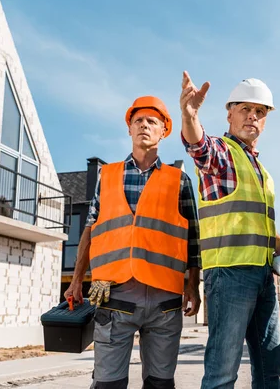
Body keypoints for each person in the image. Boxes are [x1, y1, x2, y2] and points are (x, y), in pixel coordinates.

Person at [64, 95, 202, 389]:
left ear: (163, 131)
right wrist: (77, 280)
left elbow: (192, 239)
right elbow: (90, 228)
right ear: (129, 128)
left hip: (164, 299)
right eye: (138, 120)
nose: (144, 126)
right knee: (107, 384)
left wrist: (193, 285)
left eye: (152, 121)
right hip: (114, 295)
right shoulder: (108, 175)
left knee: (160, 384)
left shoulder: (180, 180)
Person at [180, 71, 280, 389]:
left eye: (260, 112)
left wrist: (278, 242)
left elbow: (249, 218)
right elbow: (199, 147)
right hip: (229, 274)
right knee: (222, 373)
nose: (252, 117)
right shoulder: (222, 153)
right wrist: (190, 116)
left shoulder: (261, 170)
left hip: (263, 276)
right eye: (245, 109)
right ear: (229, 113)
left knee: (271, 368)